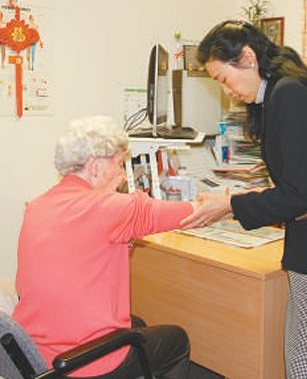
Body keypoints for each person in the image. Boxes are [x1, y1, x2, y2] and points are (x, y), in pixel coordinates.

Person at [181, 20, 307, 379]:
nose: (226, 91)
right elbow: (304, 181)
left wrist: (228, 205)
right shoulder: (284, 89)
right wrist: (235, 201)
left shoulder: (290, 94)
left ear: (247, 58)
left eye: (224, 79)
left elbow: (298, 194)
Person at [13, 115, 197, 379]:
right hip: (80, 364)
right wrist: (228, 205)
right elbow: (188, 213)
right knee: (177, 339)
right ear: (95, 166)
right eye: (120, 165)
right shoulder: (109, 208)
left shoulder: (37, 206)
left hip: (32, 355)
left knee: (137, 323)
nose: (122, 176)